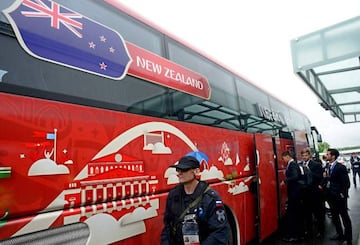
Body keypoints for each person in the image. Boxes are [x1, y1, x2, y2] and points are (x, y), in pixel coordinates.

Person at [160, 155, 229, 245]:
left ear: (196, 171)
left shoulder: (210, 198)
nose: (179, 173)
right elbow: (167, 227)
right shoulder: (173, 196)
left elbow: (219, 233)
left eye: (184, 170)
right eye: (178, 170)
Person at [325, 148, 352, 245]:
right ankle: (339, 233)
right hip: (331, 195)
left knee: (344, 217)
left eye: (328, 154)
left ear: (333, 156)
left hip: (339, 196)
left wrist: (342, 194)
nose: (326, 155)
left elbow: (346, 183)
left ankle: (348, 238)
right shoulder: (328, 166)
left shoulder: (340, 167)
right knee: (335, 216)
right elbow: (329, 180)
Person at [300, 148, 325, 238]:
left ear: (310, 156)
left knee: (318, 213)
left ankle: (321, 231)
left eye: (306, 155)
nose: (304, 157)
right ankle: (309, 231)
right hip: (305, 193)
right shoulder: (300, 165)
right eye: (302, 155)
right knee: (307, 214)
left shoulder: (316, 165)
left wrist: (308, 171)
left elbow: (321, 177)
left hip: (315, 193)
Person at [281, 151, 304, 242]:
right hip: (295, 193)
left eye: (283, 158)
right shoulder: (293, 164)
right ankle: (298, 234)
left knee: (293, 214)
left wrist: (286, 181)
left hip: (294, 193)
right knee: (296, 214)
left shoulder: (292, 164)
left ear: (287, 156)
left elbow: (295, 176)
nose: (283, 160)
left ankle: (294, 235)